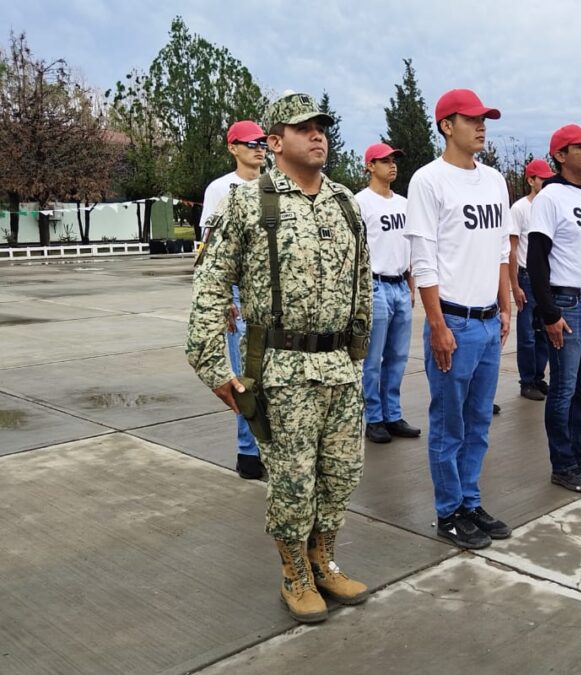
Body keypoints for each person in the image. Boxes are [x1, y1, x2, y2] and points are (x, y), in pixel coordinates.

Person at [187, 92, 372, 623]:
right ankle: (294, 575)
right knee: (293, 484)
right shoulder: (249, 201)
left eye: (322, 127)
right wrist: (213, 367)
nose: (317, 135)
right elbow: (210, 284)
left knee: (341, 475)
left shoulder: (344, 202)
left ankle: (324, 562)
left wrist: (359, 350)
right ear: (274, 141)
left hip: (338, 364)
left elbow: (362, 281)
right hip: (283, 369)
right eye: (302, 127)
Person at [404, 88, 512, 550]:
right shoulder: (428, 181)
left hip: (488, 322)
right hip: (454, 322)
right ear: (447, 125)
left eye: (484, 118)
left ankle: (470, 500)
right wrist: (436, 325)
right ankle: (449, 511)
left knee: (479, 423)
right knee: (450, 425)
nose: (481, 125)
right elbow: (423, 260)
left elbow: (502, 249)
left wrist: (505, 306)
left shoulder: (495, 181)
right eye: (471, 119)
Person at [528, 124, 581, 492]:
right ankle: (562, 464)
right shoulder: (551, 198)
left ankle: (579, 457)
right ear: (561, 156)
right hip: (568, 303)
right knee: (563, 389)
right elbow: (536, 260)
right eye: (580, 147)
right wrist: (549, 313)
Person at [196, 120, 267, 480]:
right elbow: (210, 251)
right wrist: (223, 299)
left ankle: (266, 448)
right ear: (232, 148)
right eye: (250, 142)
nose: (259, 148)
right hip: (237, 290)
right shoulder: (221, 188)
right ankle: (248, 453)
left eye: (263, 141)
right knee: (244, 375)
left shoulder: (273, 186)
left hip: (268, 291)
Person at [355, 143, 422, 444]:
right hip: (375, 284)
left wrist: (411, 283)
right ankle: (374, 417)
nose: (392, 165)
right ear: (370, 166)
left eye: (394, 160)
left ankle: (393, 414)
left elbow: (409, 247)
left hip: (399, 283)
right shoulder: (360, 203)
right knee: (373, 358)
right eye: (384, 161)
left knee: (397, 356)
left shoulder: (405, 204)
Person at [509, 158, 556, 401]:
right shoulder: (520, 209)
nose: (546, 182)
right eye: (542, 178)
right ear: (531, 180)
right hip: (527, 277)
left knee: (544, 332)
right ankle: (527, 381)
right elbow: (512, 249)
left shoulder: (550, 205)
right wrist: (515, 285)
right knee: (527, 335)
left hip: (547, 279)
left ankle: (539, 377)